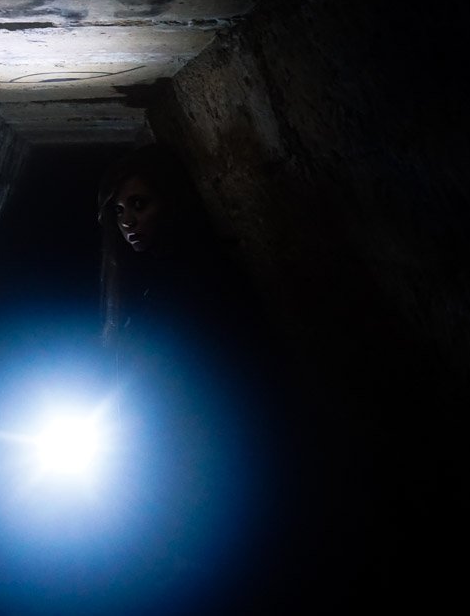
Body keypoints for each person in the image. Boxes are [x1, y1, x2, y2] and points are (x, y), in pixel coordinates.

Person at [93, 143, 306, 613]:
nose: (128, 219)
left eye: (140, 204)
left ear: (171, 203)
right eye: (120, 209)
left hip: (205, 454)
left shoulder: (198, 274)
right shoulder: (141, 277)